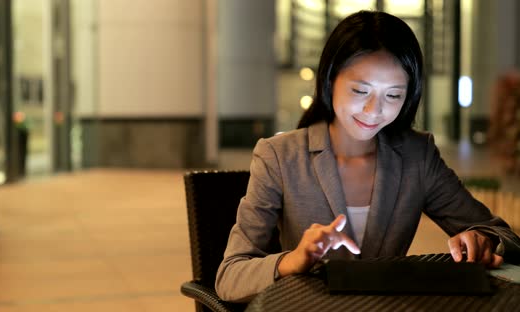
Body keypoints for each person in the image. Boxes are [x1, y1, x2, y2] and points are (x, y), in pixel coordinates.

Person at [215, 10, 520, 303]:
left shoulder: (417, 156)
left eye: (393, 95)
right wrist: (294, 260)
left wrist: (483, 239)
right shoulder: (280, 157)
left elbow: (501, 233)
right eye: (361, 91)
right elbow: (230, 276)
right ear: (330, 80)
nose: (375, 110)